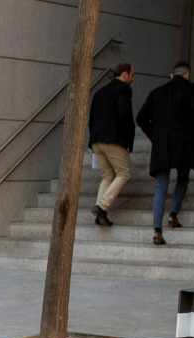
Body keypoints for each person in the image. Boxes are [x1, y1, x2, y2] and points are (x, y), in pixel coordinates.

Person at [137, 61, 194, 246]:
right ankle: (173, 214)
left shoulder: (157, 92)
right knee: (183, 177)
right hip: (184, 143)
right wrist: (193, 134)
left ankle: (157, 231)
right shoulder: (192, 89)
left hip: (162, 146)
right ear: (187, 75)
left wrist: (155, 136)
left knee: (161, 185)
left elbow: (141, 118)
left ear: (172, 74)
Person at [88, 63, 135, 227]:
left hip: (96, 140)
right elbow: (125, 116)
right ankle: (101, 207)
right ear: (125, 75)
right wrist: (128, 140)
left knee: (107, 176)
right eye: (132, 74)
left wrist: (93, 139)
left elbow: (91, 119)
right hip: (114, 139)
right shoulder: (124, 89)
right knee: (124, 173)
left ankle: (100, 214)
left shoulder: (99, 93)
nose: (133, 78)